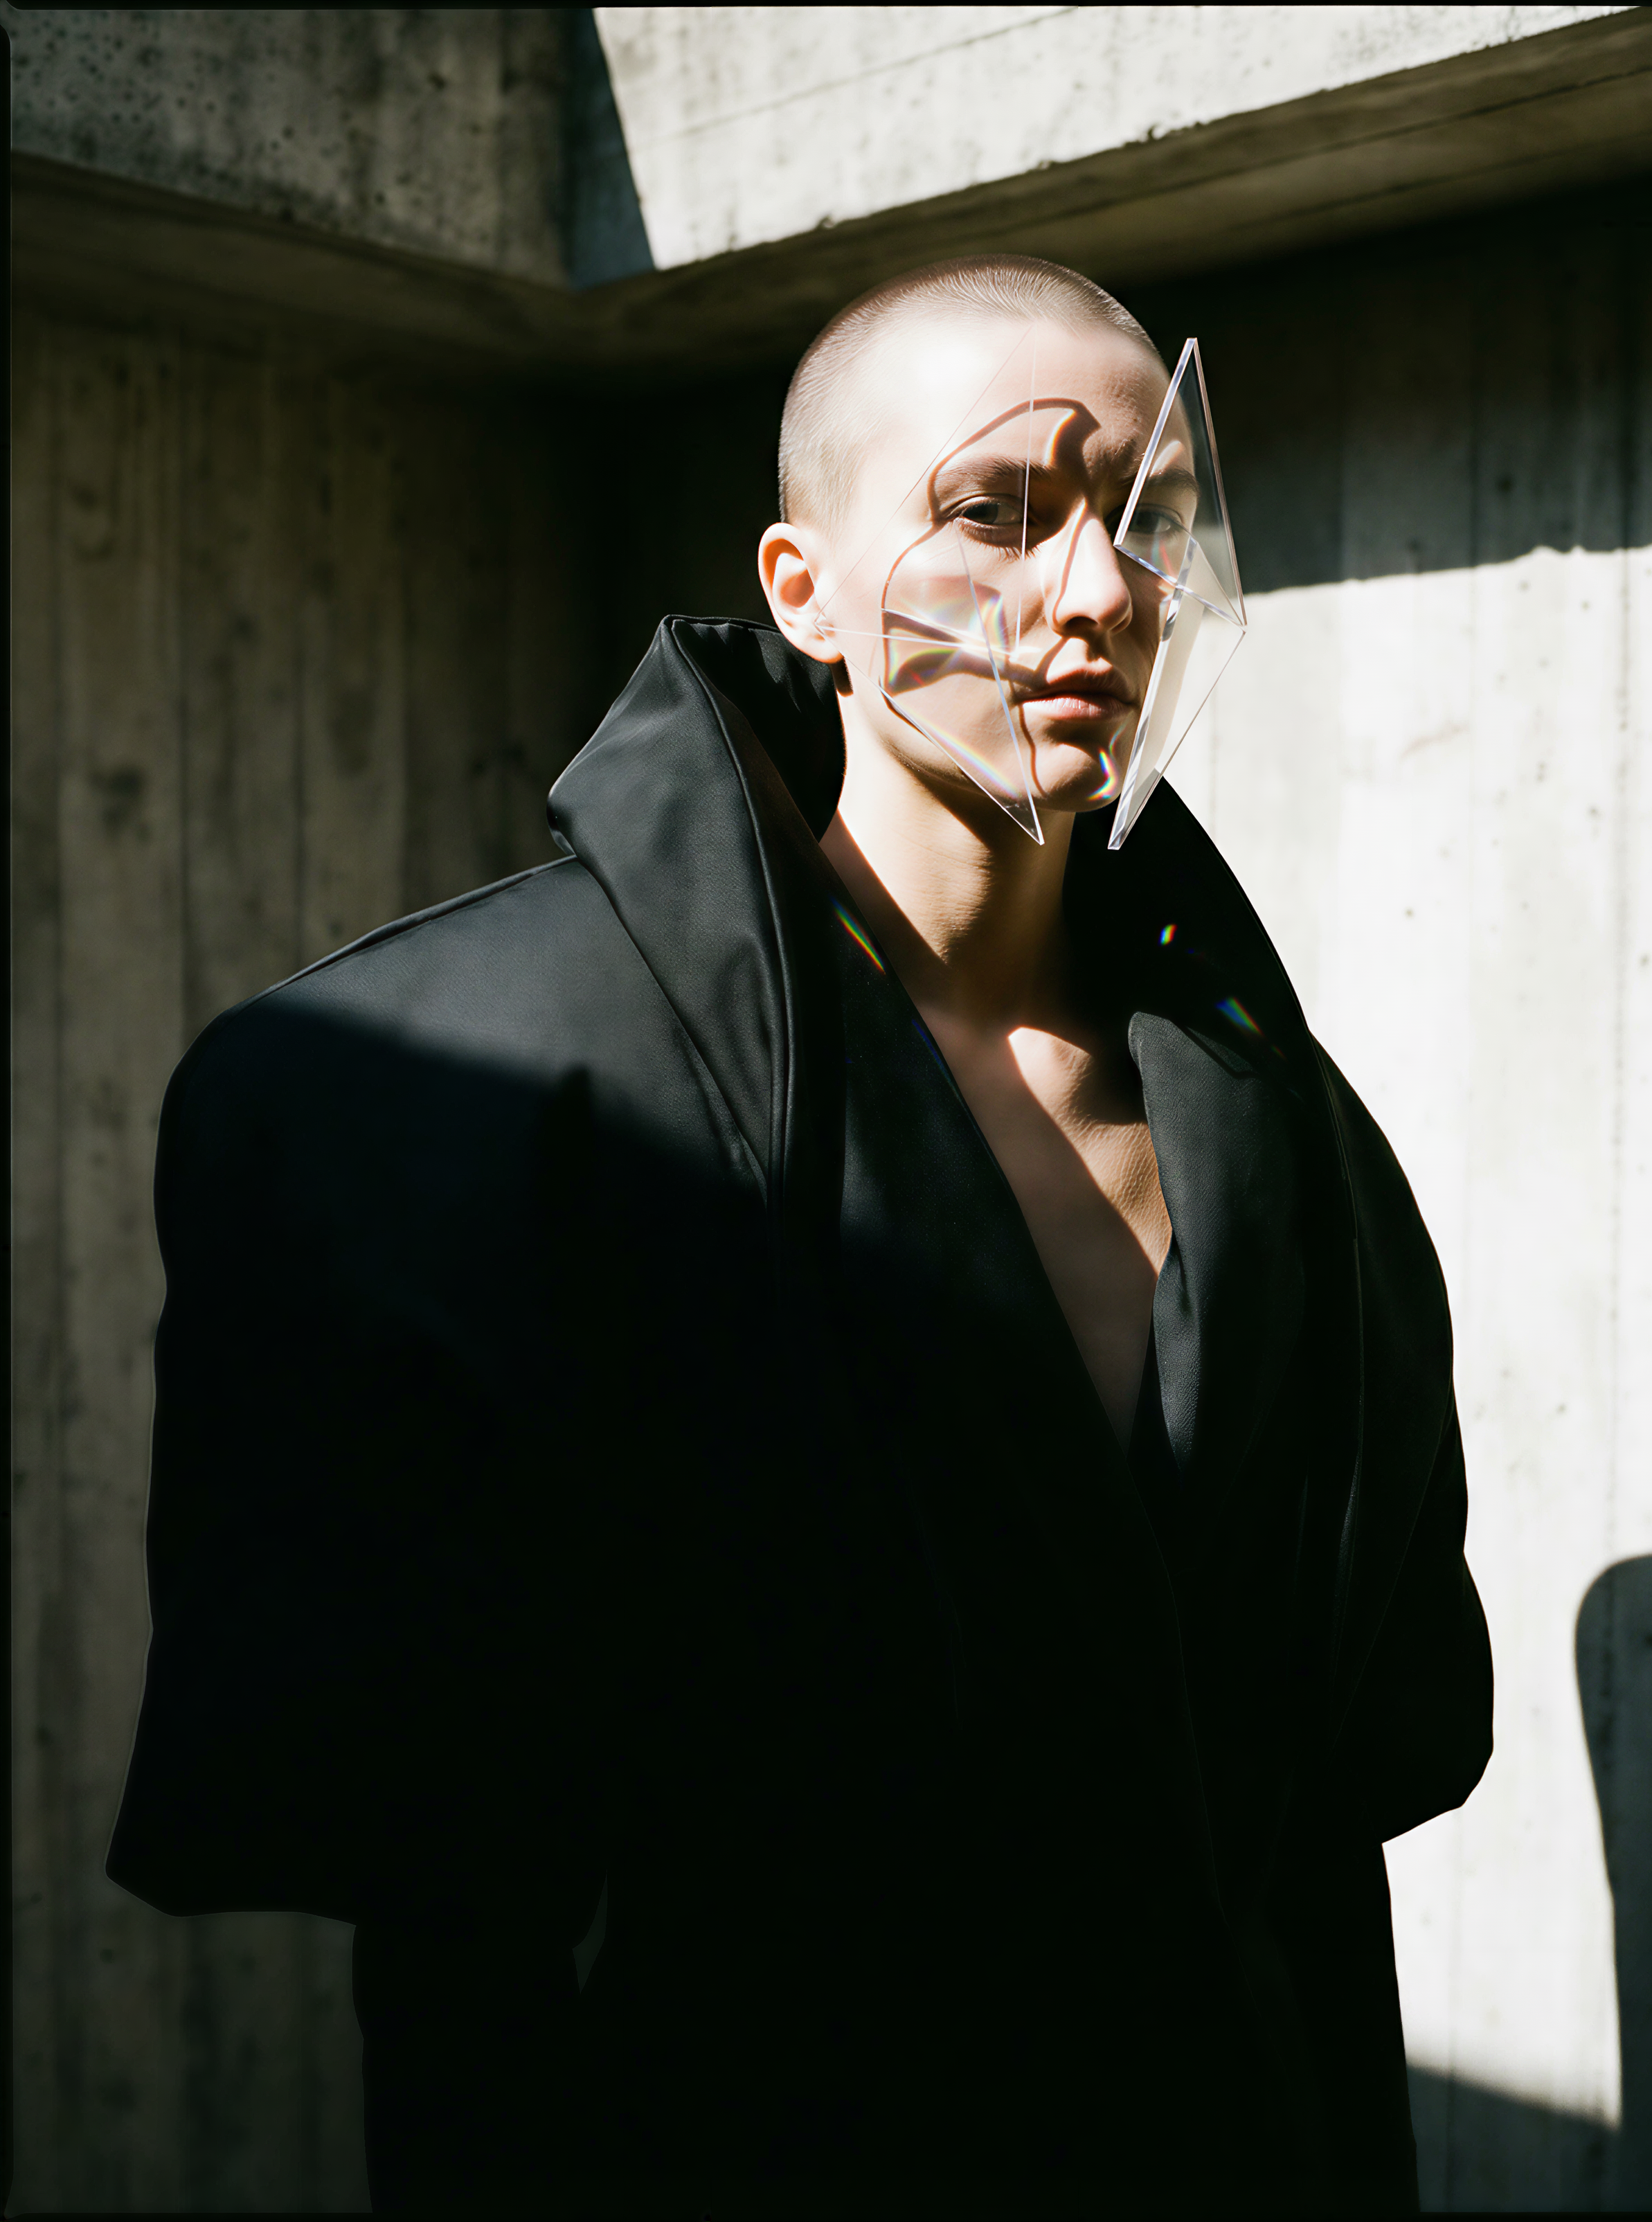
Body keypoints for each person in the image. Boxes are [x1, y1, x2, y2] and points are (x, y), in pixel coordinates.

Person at [109, 255, 1492, 2216]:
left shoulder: (1291, 1136)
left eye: (1146, 518)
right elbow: (448, 1921)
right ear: (802, 592)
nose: (1098, 592)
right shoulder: (458, 1095)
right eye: (1002, 510)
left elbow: (1328, 1811)